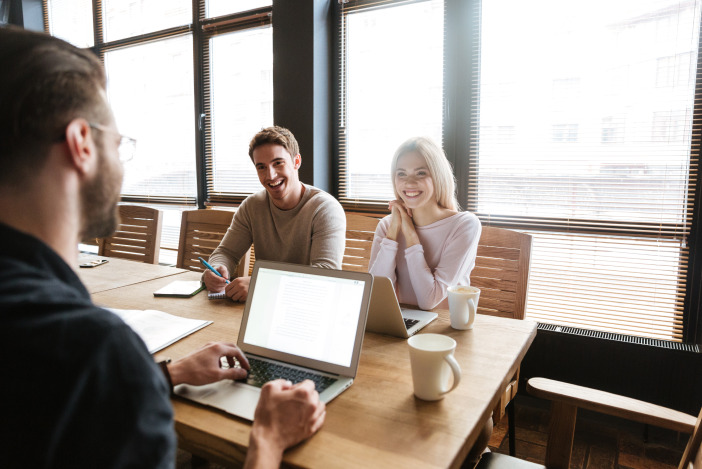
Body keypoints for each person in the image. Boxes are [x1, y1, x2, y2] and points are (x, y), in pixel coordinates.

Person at [0, 25, 324, 468]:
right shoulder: (98, 353)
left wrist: (166, 373)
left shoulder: (86, 359)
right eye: (117, 143)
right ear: (81, 144)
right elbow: (224, 253)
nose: (270, 175)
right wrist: (267, 440)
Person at [203, 126, 346, 302]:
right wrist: (217, 269)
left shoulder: (325, 208)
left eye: (278, 163)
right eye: (261, 167)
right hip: (265, 306)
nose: (270, 175)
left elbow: (326, 274)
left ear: (296, 161)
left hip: (309, 307)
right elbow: (226, 252)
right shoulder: (251, 206)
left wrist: (260, 284)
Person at [368, 137, 482, 310]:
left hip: (444, 329)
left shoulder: (464, 225)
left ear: (438, 176)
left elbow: (429, 300)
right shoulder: (387, 226)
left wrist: (411, 235)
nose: (409, 182)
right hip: (401, 326)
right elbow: (375, 295)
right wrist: (392, 234)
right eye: (401, 173)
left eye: (421, 173)